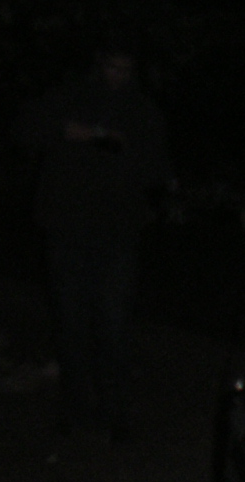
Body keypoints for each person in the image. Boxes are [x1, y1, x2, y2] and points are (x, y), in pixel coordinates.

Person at [14, 36, 170, 439]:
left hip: (117, 234)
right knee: (71, 323)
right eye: (111, 67)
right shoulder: (68, 98)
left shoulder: (142, 111)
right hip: (67, 229)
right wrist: (69, 132)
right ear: (98, 65)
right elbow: (27, 130)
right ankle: (75, 410)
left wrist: (121, 149)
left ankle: (115, 412)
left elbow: (156, 169)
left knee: (114, 324)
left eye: (125, 70)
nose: (117, 76)